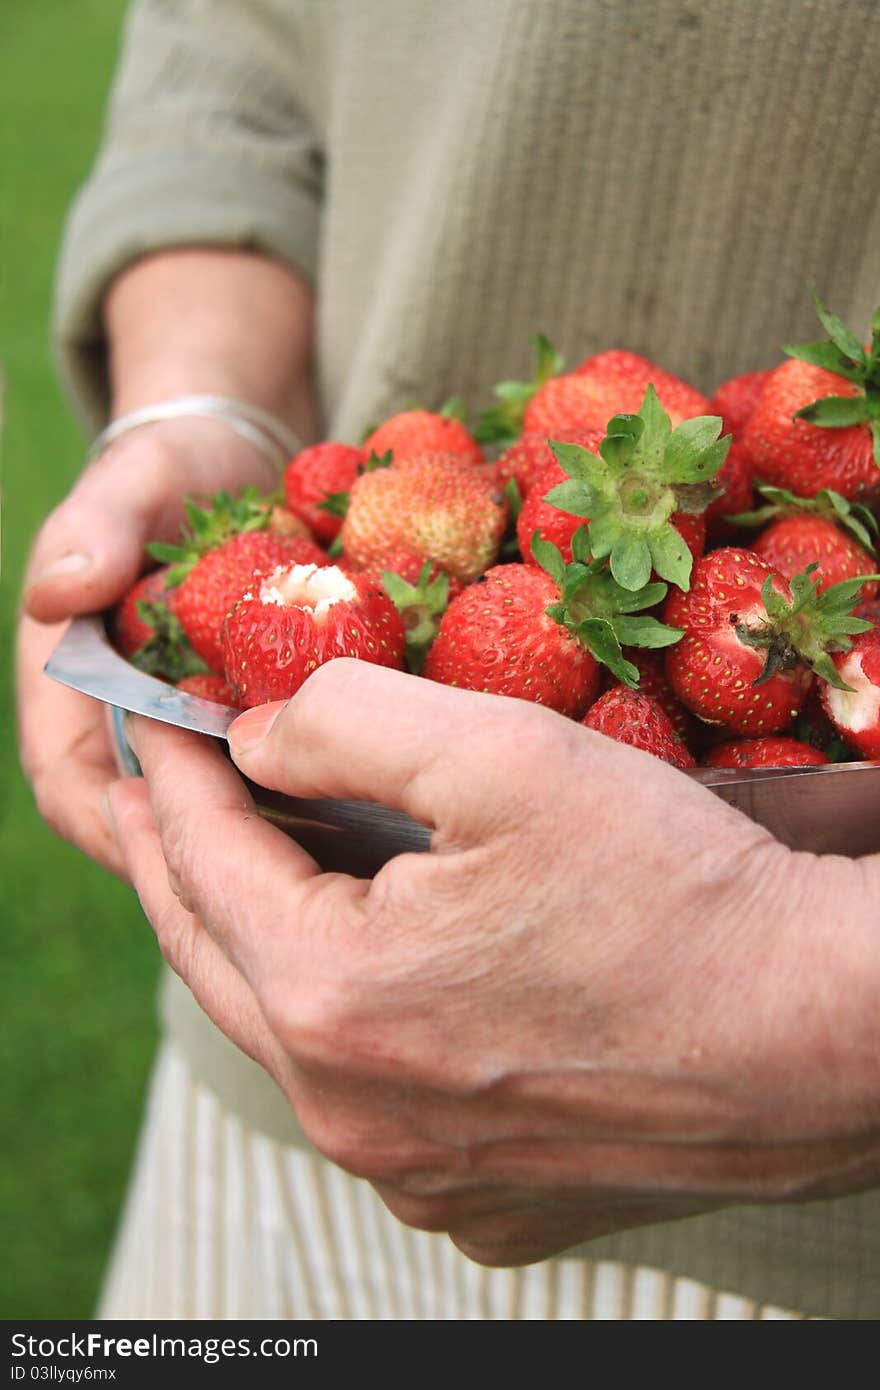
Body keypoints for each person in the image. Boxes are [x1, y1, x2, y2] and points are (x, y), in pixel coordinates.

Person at [17, 0, 880, 1319]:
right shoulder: (467, 543)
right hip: (297, 1044)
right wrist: (203, 402)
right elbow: (225, 81)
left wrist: (831, 1017)